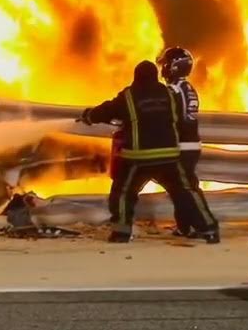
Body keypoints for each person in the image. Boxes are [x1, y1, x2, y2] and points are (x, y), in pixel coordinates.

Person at [79, 60, 219, 244]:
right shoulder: (170, 95)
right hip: (169, 156)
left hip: (138, 158)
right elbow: (181, 118)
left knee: (123, 193)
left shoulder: (129, 96)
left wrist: (89, 116)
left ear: (136, 77)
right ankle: (209, 229)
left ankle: (121, 233)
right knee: (186, 192)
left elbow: (107, 110)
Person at [158, 46, 220, 238]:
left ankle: (208, 226)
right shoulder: (188, 88)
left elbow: (169, 118)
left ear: (173, 67)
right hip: (189, 144)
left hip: (181, 146)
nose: (163, 68)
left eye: (165, 64)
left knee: (187, 188)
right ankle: (184, 226)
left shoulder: (173, 90)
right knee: (179, 188)